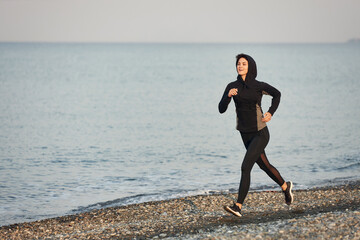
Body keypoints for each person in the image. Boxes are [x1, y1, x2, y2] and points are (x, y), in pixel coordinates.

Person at [218, 53, 293, 217]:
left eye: (243, 63)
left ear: (250, 66)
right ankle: (285, 187)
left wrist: (271, 113)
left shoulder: (258, 86)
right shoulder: (232, 86)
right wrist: (228, 96)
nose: (240, 66)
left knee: (245, 167)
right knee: (265, 166)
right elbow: (221, 109)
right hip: (245, 135)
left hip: (261, 133)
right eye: (238, 63)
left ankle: (238, 206)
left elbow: (277, 94)